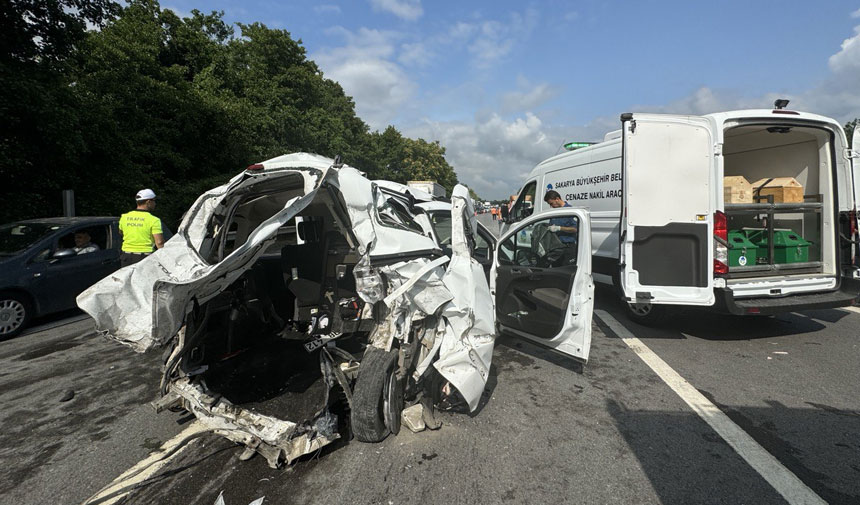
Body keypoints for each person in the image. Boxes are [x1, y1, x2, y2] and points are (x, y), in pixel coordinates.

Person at [119, 188, 165, 267]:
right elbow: (159, 242)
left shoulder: (124, 217)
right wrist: (164, 258)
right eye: (154, 201)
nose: (155, 204)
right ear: (148, 202)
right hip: (144, 258)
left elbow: (121, 232)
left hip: (126, 257)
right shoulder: (154, 220)